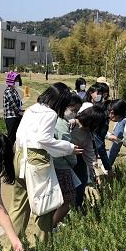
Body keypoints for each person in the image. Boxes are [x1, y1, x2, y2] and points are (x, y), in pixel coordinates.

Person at [9, 83, 83, 243]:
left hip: (19, 156)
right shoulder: (50, 114)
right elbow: (44, 140)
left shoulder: (32, 109)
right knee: (45, 204)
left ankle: (12, 250)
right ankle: (43, 247)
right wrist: (69, 148)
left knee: (18, 206)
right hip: (36, 161)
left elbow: (20, 134)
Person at [52, 94, 83, 226]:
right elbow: (67, 148)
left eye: (77, 111)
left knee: (57, 198)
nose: (74, 114)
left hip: (53, 163)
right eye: (74, 110)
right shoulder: (62, 125)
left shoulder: (54, 119)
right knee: (68, 198)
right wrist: (74, 161)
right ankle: (52, 225)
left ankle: (55, 222)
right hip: (62, 165)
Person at [70, 103, 107, 208]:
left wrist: (97, 173)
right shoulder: (72, 124)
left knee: (81, 182)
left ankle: (77, 206)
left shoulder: (87, 134)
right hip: (62, 159)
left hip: (78, 158)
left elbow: (90, 154)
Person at [105, 99, 126, 166]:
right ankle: (106, 166)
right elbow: (96, 131)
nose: (110, 115)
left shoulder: (124, 118)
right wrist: (109, 136)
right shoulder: (103, 115)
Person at [3, 71, 23, 145]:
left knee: (15, 136)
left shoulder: (14, 91)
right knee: (11, 137)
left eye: (18, 80)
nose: (17, 82)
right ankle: (9, 153)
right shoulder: (8, 91)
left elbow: (18, 104)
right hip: (11, 117)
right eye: (16, 80)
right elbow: (14, 105)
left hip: (16, 116)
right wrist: (21, 113)